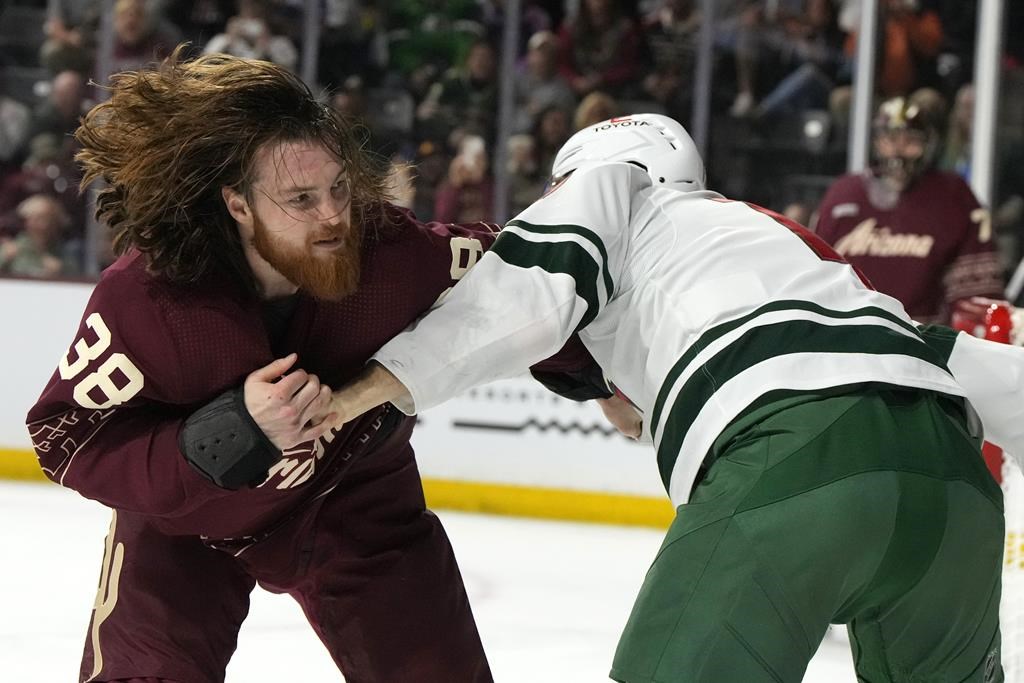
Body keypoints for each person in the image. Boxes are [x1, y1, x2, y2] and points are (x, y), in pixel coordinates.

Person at [328, 113, 1005, 682]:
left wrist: (350, 397)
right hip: (956, 491)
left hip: (799, 459)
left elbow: (522, 291)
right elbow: (953, 359)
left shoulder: (613, 187)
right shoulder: (791, 248)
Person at [21, 48, 568, 683]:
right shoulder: (149, 299)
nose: (334, 214)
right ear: (238, 204)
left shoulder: (389, 253)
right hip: (187, 531)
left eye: (339, 187)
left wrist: (590, 372)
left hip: (353, 499)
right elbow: (65, 436)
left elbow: (531, 278)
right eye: (300, 198)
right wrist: (225, 435)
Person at [815, 92, 1004, 324]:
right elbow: (818, 275)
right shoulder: (843, 194)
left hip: (923, 343)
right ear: (876, 143)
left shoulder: (953, 196)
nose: (898, 151)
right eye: (890, 140)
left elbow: (976, 298)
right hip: (850, 334)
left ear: (928, 144)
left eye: (910, 142)